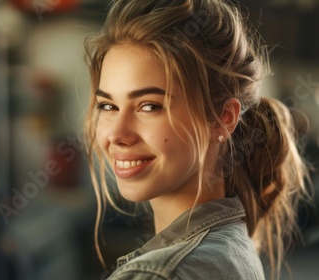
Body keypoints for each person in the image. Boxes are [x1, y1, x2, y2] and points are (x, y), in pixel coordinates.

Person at [83, 0, 310, 279]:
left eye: (149, 106)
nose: (117, 135)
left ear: (223, 118)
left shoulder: (160, 274)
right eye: (108, 106)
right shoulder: (230, 247)